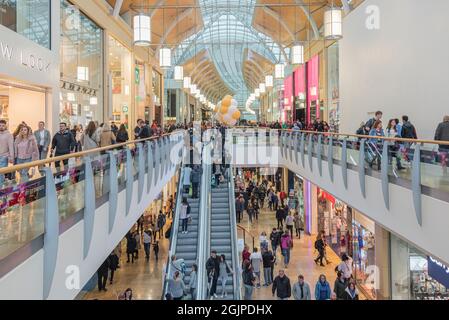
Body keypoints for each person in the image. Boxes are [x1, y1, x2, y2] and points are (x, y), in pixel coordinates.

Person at [0, 120, 14, 186]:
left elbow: (11, 147)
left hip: (4, 157)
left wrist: (11, 157)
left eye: (3, 125)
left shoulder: (9, 135)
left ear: (6, 126)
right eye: (0, 125)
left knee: (1, 173)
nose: (1, 127)